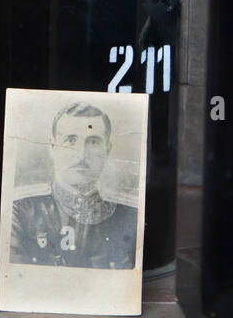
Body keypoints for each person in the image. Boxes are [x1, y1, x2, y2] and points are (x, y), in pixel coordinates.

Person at [8, 101, 138, 269]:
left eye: (93, 142)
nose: (81, 155)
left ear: (107, 150)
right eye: (70, 141)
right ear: (52, 147)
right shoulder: (20, 211)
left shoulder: (130, 216)